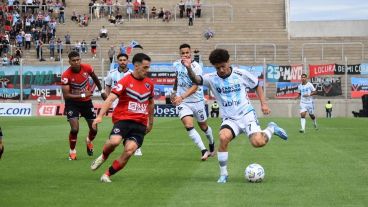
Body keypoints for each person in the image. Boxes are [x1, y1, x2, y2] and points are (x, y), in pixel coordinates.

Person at [184, 48, 288, 183]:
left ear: (228, 62)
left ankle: (271, 129)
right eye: (217, 67)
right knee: (223, 137)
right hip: (230, 119)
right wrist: (188, 68)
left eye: (223, 66)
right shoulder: (211, 79)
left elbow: (257, 85)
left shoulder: (241, 74)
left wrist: (264, 104)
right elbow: (196, 79)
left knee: (258, 143)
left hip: (246, 114)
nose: (221, 70)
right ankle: (223, 174)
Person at [90, 53, 154, 183]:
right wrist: (100, 116)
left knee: (129, 151)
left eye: (148, 67)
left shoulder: (149, 84)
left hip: (140, 124)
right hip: (123, 120)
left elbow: (151, 103)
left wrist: (150, 123)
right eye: (145, 68)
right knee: (114, 142)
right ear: (136, 66)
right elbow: (110, 99)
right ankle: (103, 156)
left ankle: (107, 174)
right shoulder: (125, 81)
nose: (148, 71)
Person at [171, 44, 215, 161]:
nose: (185, 55)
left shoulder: (197, 66)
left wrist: (181, 96)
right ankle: (204, 150)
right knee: (188, 125)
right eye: (183, 53)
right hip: (183, 102)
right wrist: (174, 92)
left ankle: (211, 144)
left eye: (187, 53)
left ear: (190, 53)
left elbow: (195, 86)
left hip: (197, 101)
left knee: (204, 127)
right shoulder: (176, 64)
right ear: (180, 54)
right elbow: (177, 78)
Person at [61, 51, 107, 160]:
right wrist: (82, 94)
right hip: (72, 103)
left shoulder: (87, 68)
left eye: (78, 60)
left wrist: (102, 91)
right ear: (69, 62)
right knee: (74, 129)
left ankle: (89, 141)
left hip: (86, 102)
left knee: (94, 129)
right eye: (73, 60)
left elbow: (95, 78)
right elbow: (66, 96)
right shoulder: (66, 75)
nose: (76, 62)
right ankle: (72, 151)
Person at [105, 53, 142, 156]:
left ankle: (136, 145)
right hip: (116, 102)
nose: (122, 62)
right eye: (120, 60)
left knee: (132, 122)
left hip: (130, 102)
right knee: (119, 123)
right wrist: (108, 100)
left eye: (124, 60)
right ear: (117, 61)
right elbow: (108, 87)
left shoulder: (132, 73)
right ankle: (127, 142)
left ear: (127, 61)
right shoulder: (111, 73)